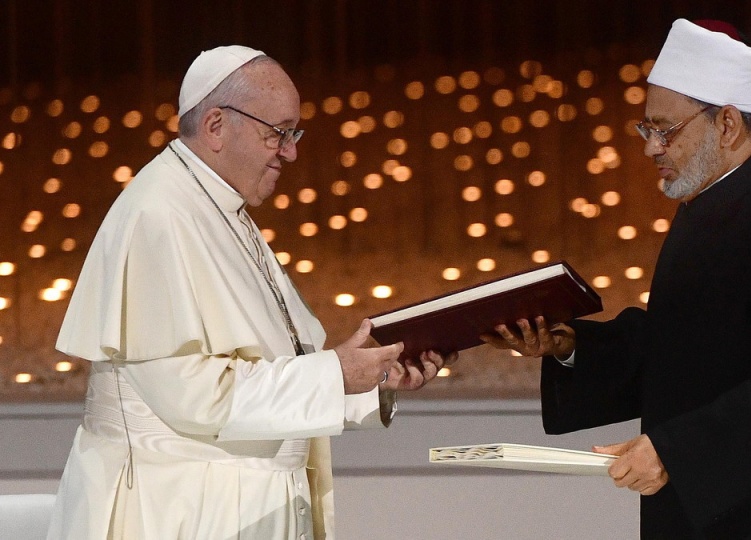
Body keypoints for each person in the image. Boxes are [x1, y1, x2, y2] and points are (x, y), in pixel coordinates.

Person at [482, 19, 751, 538]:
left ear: (726, 124)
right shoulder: (711, 206)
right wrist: (571, 348)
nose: (650, 148)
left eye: (664, 130)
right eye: (645, 130)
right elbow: (689, 350)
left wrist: (677, 450)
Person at [47, 45, 454, 540]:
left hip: (234, 507)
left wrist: (372, 380)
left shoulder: (221, 209)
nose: (291, 151)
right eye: (277, 133)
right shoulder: (158, 214)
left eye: (293, 134)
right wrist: (333, 375)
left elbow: (269, 368)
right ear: (216, 125)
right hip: (174, 510)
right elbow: (198, 395)